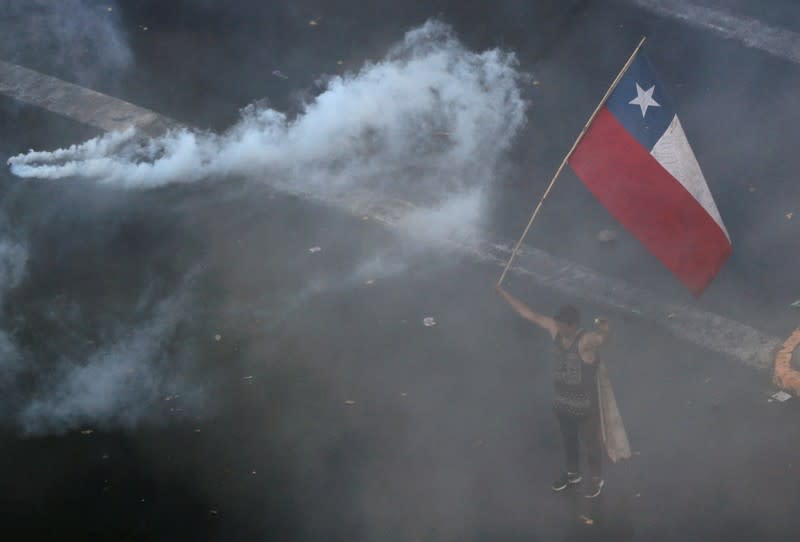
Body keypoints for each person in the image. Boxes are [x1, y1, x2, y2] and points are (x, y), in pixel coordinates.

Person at [495, 285, 609, 498]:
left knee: (591, 442)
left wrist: (604, 330)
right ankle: (573, 474)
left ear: (573, 326)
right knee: (569, 440)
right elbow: (529, 314)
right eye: (556, 324)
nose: (558, 329)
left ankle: (596, 479)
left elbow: (604, 340)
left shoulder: (585, 340)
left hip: (585, 406)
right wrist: (504, 294)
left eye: (562, 327)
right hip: (563, 403)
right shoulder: (555, 329)